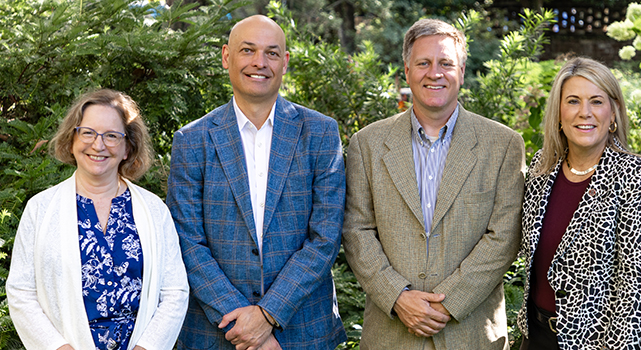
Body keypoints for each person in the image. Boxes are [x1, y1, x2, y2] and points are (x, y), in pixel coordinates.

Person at [342, 18, 525, 350]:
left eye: (446, 63)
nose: (434, 73)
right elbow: (357, 230)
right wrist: (398, 297)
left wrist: (447, 303)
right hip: (391, 336)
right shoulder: (367, 144)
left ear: (463, 71)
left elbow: (505, 236)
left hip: (471, 336)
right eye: (424, 63)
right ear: (407, 70)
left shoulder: (503, 145)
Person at [166, 15, 347, 350]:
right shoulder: (193, 140)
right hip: (218, 332)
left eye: (272, 53)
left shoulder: (320, 133)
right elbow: (187, 242)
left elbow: (325, 237)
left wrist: (268, 315)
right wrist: (242, 322)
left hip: (302, 331)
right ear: (226, 57)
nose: (259, 62)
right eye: (247, 50)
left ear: (286, 61)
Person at [7, 89, 189, 350]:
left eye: (112, 136)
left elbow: (175, 292)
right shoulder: (40, 210)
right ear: (72, 139)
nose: (98, 144)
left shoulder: (154, 211)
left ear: (128, 148)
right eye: (88, 132)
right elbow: (21, 293)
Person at [516, 57, 641, 349]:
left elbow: (637, 291)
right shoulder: (540, 169)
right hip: (535, 336)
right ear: (558, 113)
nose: (585, 113)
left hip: (596, 344)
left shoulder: (638, 177)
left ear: (613, 114)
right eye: (573, 101)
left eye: (596, 102)